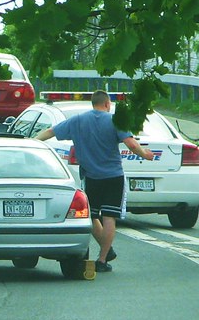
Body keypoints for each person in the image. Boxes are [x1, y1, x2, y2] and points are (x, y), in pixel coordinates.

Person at [36, 89, 155, 272]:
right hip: (113, 176)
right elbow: (131, 143)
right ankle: (102, 259)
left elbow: (51, 131)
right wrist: (144, 154)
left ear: (93, 103)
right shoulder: (115, 120)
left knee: (91, 216)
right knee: (109, 217)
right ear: (107, 104)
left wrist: (32, 142)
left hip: (91, 177)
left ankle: (107, 250)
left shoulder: (78, 120)